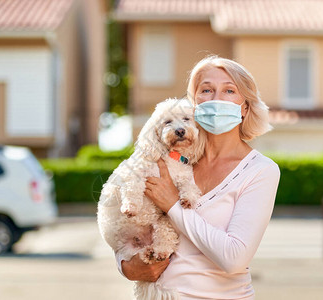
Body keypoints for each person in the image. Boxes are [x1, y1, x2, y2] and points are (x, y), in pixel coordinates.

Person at [120, 55, 280, 299]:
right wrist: (125, 264)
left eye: (229, 90)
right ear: (193, 103)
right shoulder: (173, 159)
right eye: (206, 89)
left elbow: (234, 258)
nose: (216, 98)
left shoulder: (260, 170)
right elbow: (127, 219)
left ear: (245, 107)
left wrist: (173, 206)